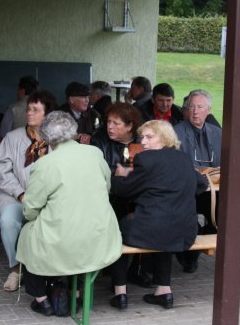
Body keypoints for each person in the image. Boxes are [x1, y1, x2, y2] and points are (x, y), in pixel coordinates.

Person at [16, 111, 122, 316]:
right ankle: (78, 293)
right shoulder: (94, 153)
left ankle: (42, 300)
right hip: (98, 234)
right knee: (77, 243)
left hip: (62, 238)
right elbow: (107, 188)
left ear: (45, 137)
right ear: (74, 132)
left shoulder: (45, 164)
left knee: (26, 237)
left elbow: (31, 208)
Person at [109, 120, 207, 310]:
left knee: (117, 232)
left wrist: (121, 175)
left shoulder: (146, 159)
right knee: (163, 229)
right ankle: (164, 291)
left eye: (149, 137)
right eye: (142, 137)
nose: (143, 142)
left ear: (164, 138)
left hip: (154, 229)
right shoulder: (184, 158)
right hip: (185, 231)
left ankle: (120, 293)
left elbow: (123, 190)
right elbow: (201, 184)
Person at [0, 91, 58, 292]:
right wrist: (21, 194)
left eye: (35, 110)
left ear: (47, 115)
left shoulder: (56, 141)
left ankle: (48, 269)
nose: (29, 113)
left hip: (48, 198)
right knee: (9, 221)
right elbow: (2, 170)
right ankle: (16, 268)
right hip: (16, 196)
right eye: (29, 108)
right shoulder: (13, 137)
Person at [91, 103, 152, 288]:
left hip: (138, 195)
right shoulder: (99, 140)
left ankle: (136, 270)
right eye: (108, 122)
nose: (110, 126)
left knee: (147, 219)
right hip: (110, 196)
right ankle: (113, 270)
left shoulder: (144, 141)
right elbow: (97, 169)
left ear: (129, 126)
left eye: (116, 123)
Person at [173, 89, 223, 273]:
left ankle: (194, 254)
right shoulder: (175, 133)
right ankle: (187, 257)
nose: (195, 111)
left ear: (208, 110)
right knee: (189, 224)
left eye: (200, 107)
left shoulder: (217, 133)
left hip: (213, 192)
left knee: (224, 219)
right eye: (191, 107)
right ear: (186, 110)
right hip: (186, 192)